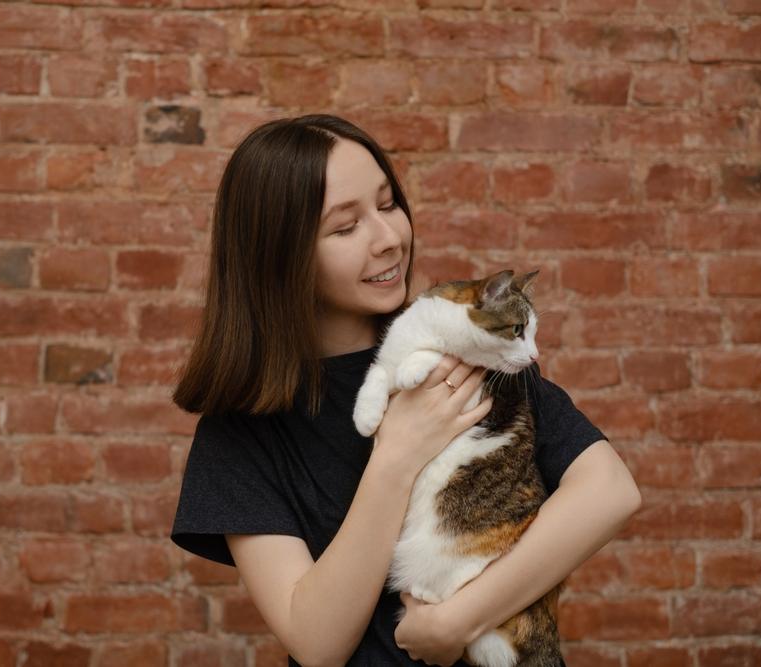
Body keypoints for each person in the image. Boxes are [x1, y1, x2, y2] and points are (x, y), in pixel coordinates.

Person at [170, 114, 642, 667]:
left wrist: (455, 621)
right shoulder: (241, 434)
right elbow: (316, 642)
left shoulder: (472, 352)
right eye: (346, 228)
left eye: (389, 204)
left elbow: (610, 492)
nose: (389, 239)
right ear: (278, 255)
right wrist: (395, 456)